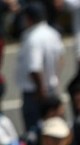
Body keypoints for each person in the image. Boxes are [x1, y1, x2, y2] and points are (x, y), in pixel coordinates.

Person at [17, 2, 64, 132]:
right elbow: (60, 59)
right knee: (55, 128)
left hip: (36, 93)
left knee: (35, 131)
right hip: (51, 89)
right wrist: (55, 78)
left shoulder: (33, 38)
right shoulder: (53, 33)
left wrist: (41, 92)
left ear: (29, 18)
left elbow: (34, 68)